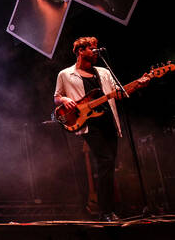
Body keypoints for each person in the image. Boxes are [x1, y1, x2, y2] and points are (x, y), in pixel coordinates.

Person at [54, 37, 123, 222]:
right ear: (80, 51)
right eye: (92, 48)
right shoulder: (65, 74)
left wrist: (137, 84)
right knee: (105, 160)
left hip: (108, 121)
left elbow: (118, 91)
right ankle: (106, 212)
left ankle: (108, 210)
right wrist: (65, 100)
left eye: (96, 48)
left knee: (108, 165)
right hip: (89, 124)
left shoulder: (104, 72)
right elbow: (57, 97)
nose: (96, 51)